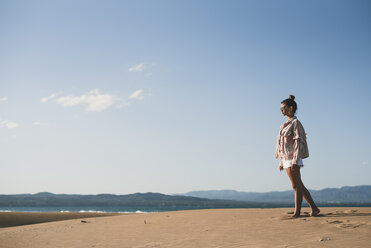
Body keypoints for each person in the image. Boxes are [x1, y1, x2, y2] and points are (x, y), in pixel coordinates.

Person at [275, 95, 320, 218]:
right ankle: (314, 208)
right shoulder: (284, 125)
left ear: (290, 108)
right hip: (286, 158)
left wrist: (295, 159)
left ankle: (297, 212)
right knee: (298, 184)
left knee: (296, 185)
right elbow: (280, 145)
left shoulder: (296, 123)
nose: (281, 110)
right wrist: (281, 161)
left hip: (293, 158)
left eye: (283, 108)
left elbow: (298, 141)